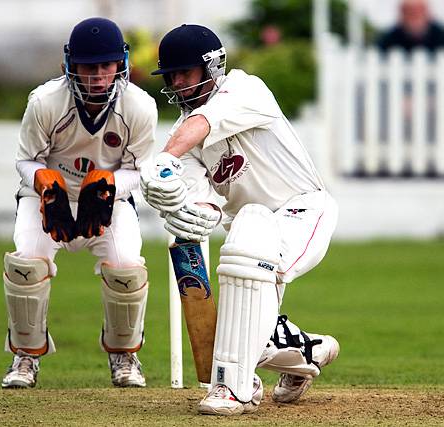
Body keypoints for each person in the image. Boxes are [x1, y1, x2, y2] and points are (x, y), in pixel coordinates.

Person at [141, 24, 340, 416]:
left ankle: (234, 387)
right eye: (171, 76)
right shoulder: (186, 142)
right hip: (249, 236)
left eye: (185, 73)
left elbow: (204, 123)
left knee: (247, 237)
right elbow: (205, 208)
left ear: (211, 67)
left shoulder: (247, 90)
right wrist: (177, 207)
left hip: (303, 211)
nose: (177, 84)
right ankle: (307, 352)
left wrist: (163, 156)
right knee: (246, 323)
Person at [0, 17, 157, 389]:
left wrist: (109, 182)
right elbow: (25, 159)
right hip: (48, 197)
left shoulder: (140, 106)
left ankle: (124, 354)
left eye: (106, 65)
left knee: (127, 270)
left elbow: (141, 170)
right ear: (70, 65)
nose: (98, 75)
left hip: (107, 199)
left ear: (121, 64)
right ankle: (25, 356)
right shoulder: (45, 102)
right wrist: (42, 179)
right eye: (89, 66)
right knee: (26, 267)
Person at [377, 0, 444, 54]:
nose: (415, 15)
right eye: (409, 11)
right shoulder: (389, 39)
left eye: (419, 10)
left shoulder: (440, 36)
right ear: (402, 13)